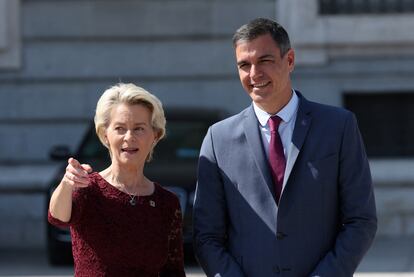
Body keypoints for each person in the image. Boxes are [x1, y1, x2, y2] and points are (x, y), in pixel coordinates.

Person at [193, 18, 377, 277]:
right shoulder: (218, 138)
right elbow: (206, 235)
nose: (254, 73)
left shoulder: (338, 127)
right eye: (244, 65)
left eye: (264, 60)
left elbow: (361, 220)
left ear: (289, 60)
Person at [48, 83, 186, 277]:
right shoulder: (87, 187)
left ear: (155, 135)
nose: (129, 137)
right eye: (120, 128)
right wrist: (66, 183)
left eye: (139, 129)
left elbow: (174, 271)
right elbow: (57, 217)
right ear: (106, 135)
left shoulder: (167, 203)